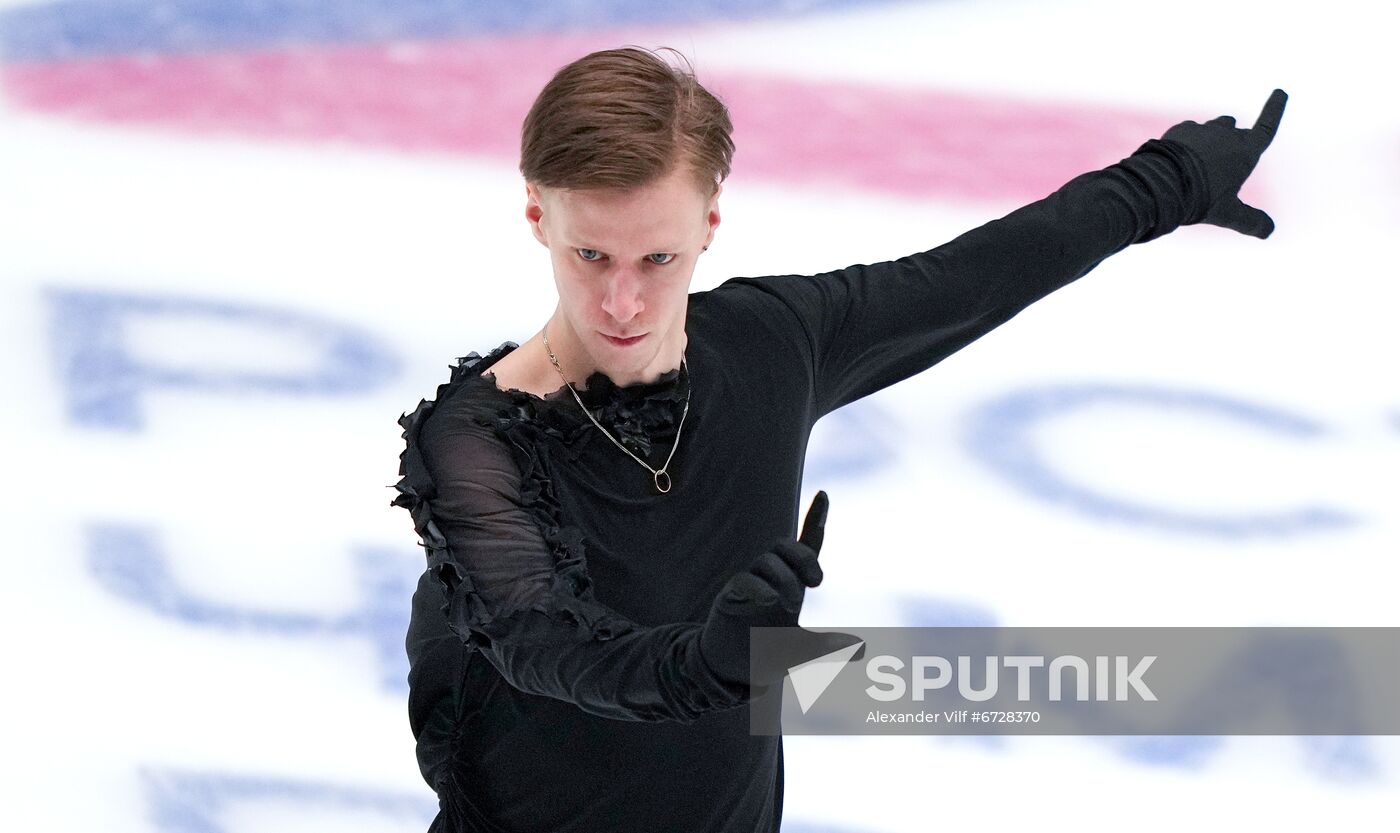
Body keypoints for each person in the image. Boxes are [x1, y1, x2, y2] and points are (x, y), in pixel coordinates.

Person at [392, 45, 1287, 832]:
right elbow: (550, 648)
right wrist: (708, 660)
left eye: (655, 259)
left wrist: (1164, 184)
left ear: (709, 226)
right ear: (538, 218)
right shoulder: (477, 439)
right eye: (591, 256)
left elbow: (970, 278)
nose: (622, 303)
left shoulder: (771, 341)